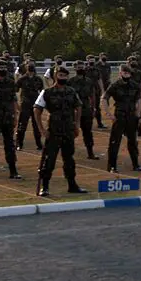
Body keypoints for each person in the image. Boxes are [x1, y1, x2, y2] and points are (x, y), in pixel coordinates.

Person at [33, 66, 87, 196]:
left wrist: (77, 124)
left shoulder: (71, 91)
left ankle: (72, 185)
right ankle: (45, 187)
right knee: (49, 159)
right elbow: (37, 110)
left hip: (68, 130)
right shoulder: (47, 92)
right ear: (55, 76)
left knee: (69, 159)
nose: (63, 78)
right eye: (61, 75)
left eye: (65, 76)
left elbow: (78, 106)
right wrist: (41, 130)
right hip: (53, 131)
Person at [103, 64, 141, 173]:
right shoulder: (115, 85)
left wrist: (138, 116)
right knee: (114, 142)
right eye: (124, 73)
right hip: (119, 116)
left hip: (131, 116)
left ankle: (136, 164)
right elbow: (104, 98)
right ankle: (112, 166)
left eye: (128, 73)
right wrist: (109, 114)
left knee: (133, 142)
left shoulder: (135, 85)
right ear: (120, 73)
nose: (126, 74)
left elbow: (138, 101)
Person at [69, 61, 101, 160]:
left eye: (82, 67)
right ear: (75, 69)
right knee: (71, 132)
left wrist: (94, 107)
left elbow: (92, 95)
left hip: (86, 109)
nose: (81, 69)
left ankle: (90, 153)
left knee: (88, 132)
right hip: (73, 110)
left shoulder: (89, 81)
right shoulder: (70, 82)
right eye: (78, 67)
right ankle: (69, 153)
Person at [14, 61, 46, 150]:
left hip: (36, 105)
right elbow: (15, 90)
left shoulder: (38, 79)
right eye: (28, 65)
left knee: (36, 125)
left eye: (32, 65)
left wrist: (42, 104)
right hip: (25, 105)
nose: (31, 67)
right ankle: (19, 143)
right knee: (22, 125)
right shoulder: (22, 79)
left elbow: (42, 92)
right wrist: (17, 104)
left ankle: (39, 144)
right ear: (25, 67)